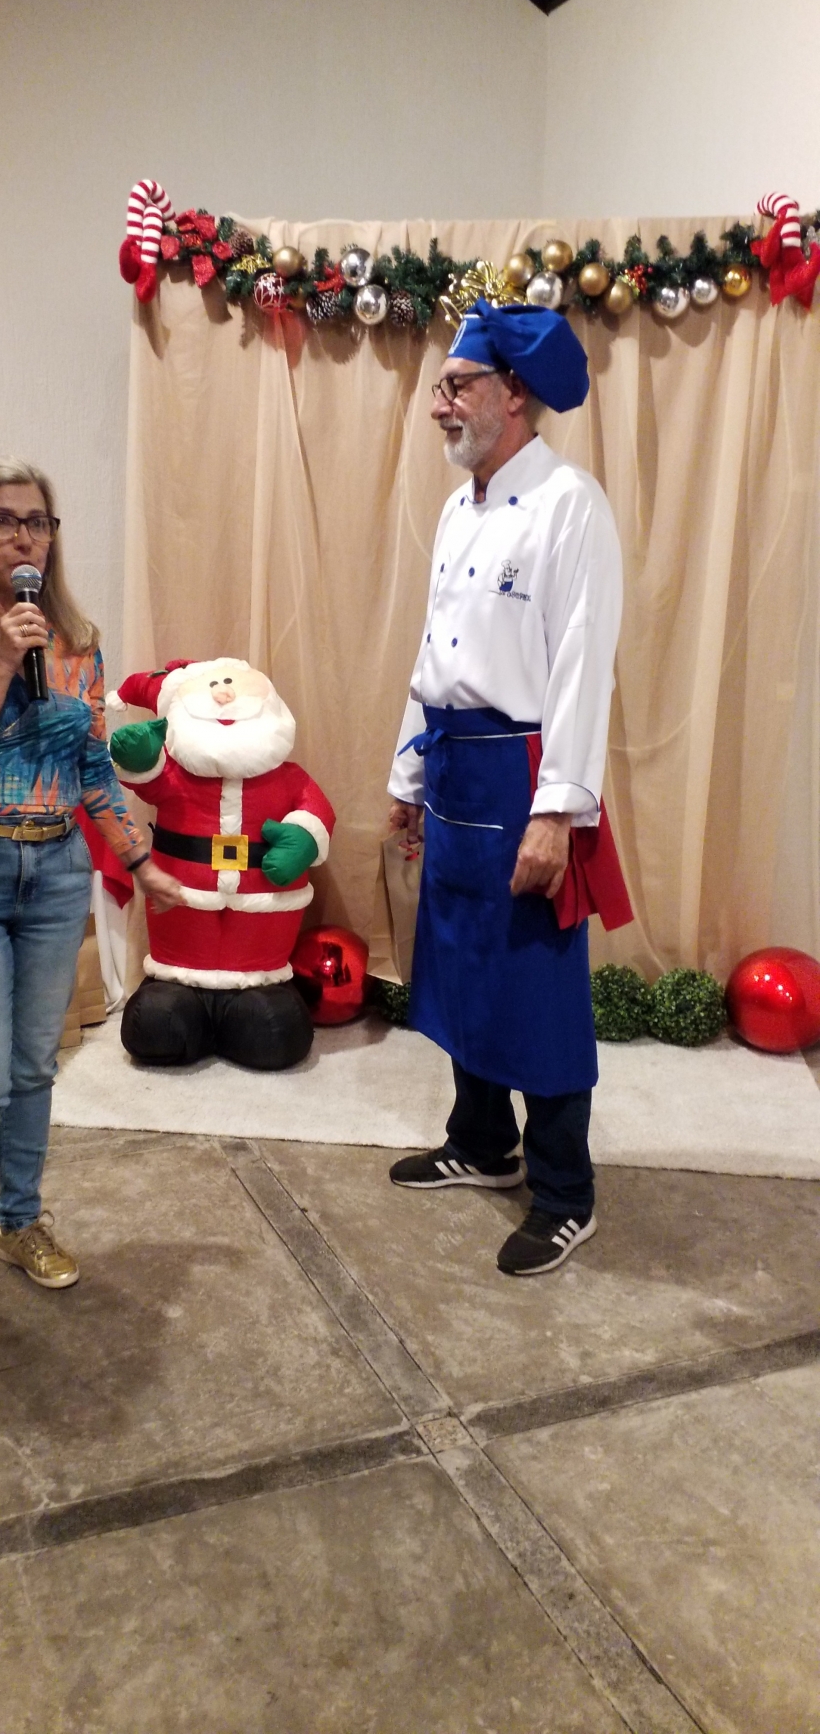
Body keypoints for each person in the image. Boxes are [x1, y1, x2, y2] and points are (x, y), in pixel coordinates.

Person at [0, 459, 181, 1349]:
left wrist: (141, 861)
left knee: (33, 1068)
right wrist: (3, 661)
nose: (25, 537)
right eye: (2, 520)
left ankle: (19, 1221)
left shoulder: (77, 641)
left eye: (39, 521)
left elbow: (91, 768)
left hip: (54, 872)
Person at [387, 302, 626, 1277]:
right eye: (440, 387)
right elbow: (435, 654)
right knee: (458, 966)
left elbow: (582, 665)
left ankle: (565, 1192)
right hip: (453, 765)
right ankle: (481, 1141)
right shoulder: (458, 509)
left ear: (513, 393)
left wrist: (557, 812)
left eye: (456, 385)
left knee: (535, 987)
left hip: (524, 777)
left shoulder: (571, 504)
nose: (439, 404)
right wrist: (408, 773)